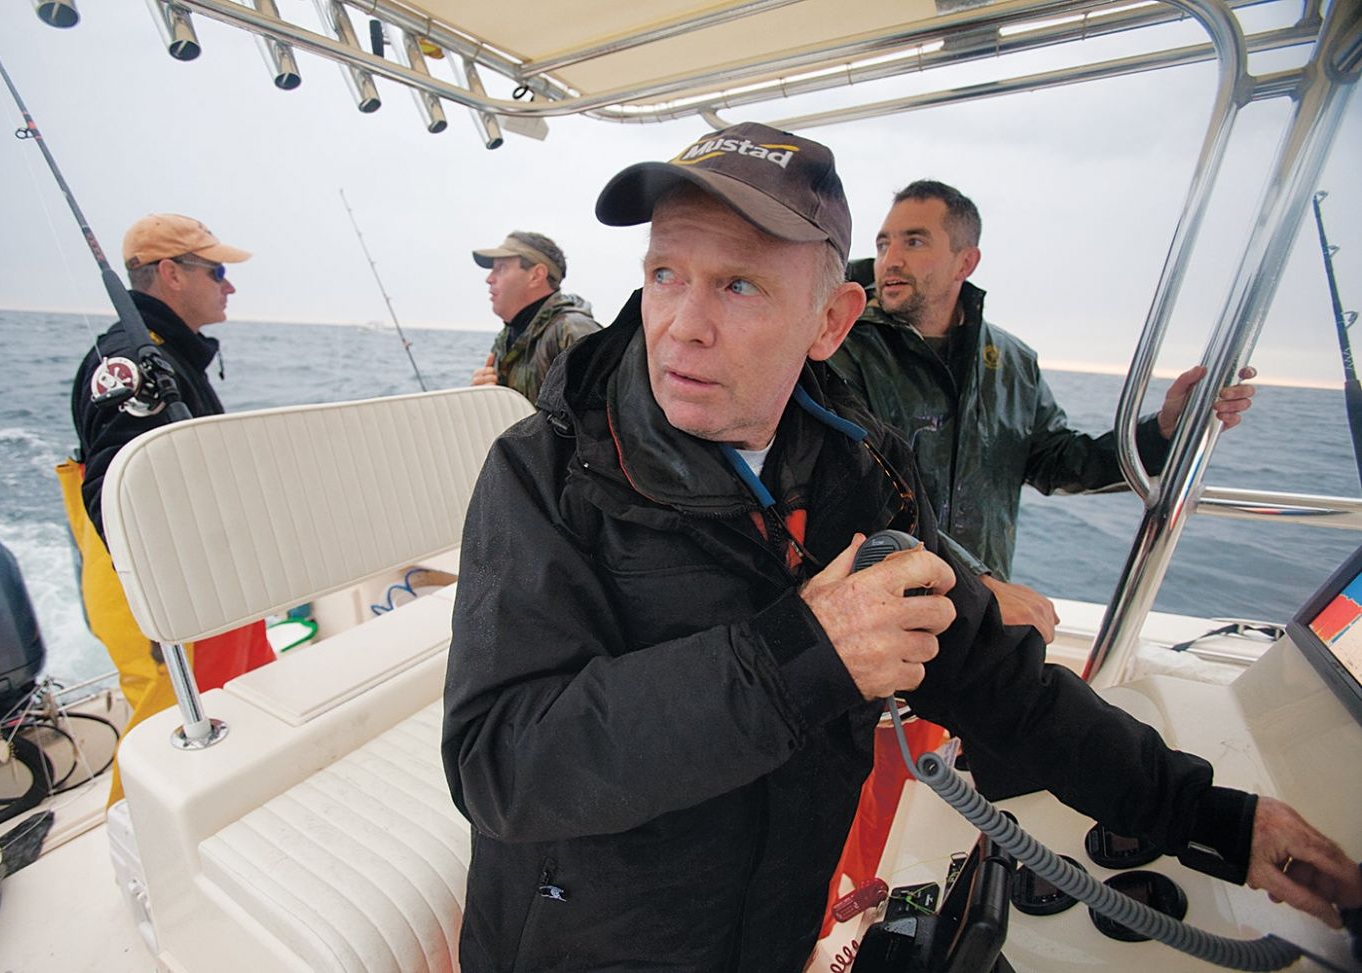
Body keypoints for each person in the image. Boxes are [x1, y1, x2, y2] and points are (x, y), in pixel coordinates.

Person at [441, 123, 1359, 971]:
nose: (682, 322)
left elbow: (1007, 688)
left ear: (831, 321)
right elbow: (498, 763)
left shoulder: (860, 470)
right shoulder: (544, 472)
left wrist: (1219, 821)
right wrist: (796, 660)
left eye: (739, 284)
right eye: (666, 273)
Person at [829, 180, 1257, 642]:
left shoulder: (1013, 362)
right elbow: (861, 485)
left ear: (966, 262)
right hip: (878, 612)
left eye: (914, 241)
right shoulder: (841, 346)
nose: (890, 259)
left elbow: (1059, 462)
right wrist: (980, 583)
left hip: (976, 614)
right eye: (883, 242)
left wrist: (1165, 431)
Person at [57, 213, 273, 806]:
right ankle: (145, 856)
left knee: (233, 704)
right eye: (218, 271)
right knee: (168, 732)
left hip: (206, 575)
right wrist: (165, 604)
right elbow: (112, 491)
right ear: (172, 274)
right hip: (163, 589)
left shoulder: (171, 356)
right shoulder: (129, 365)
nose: (229, 285)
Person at [468, 230, 599, 404]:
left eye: (501, 268)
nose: (489, 278)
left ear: (536, 275)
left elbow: (601, 422)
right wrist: (489, 400)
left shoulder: (573, 331)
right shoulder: (507, 337)